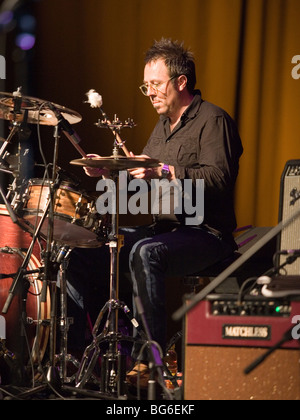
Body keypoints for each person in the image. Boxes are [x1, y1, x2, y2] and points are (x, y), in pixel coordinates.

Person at [67, 37, 243, 387]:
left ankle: (151, 362)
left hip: (206, 233)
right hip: (165, 229)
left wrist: (162, 170)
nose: (149, 93)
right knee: (85, 249)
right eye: (145, 86)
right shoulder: (162, 127)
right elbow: (144, 183)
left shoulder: (213, 120)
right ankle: (86, 354)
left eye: (156, 85)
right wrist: (109, 171)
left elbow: (219, 178)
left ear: (181, 82)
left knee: (146, 253)